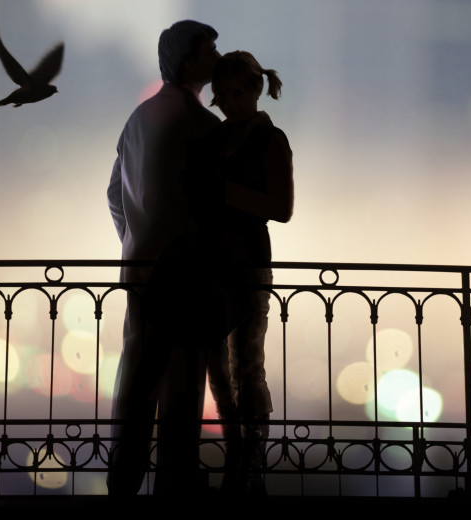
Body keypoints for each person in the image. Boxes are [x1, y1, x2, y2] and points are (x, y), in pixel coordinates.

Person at [106, 20, 222, 497]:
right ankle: (173, 483)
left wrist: (134, 239)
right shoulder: (203, 125)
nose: (217, 57)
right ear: (191, 61)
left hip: (139, 269)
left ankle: (122, 479)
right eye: (210, 50)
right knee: (182, 381)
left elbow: (115, 194)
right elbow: (216, 205)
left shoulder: (138, 118)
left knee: (135, 380)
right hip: (186, 271)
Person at [186, 50, 294, 495]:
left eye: (236, 93)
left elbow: (281, 208)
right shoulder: (217, 139)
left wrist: (224, 192)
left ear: (254, 90)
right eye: (222, 95)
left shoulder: (271, 140)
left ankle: (249, 460)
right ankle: (239, 455)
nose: (229, 101)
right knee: (219, 366)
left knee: (246, 365)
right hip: (214, 264)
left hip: (247, 265)